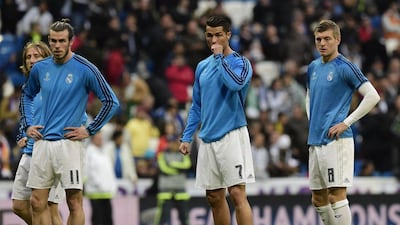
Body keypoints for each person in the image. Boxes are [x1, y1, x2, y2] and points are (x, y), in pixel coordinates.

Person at [19, 19, 120, 225]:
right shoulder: (40, 68)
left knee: (74, 202)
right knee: (38, 202)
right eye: (53, 41)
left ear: (71, 41)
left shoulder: (85, 68)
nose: (57, 46)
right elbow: (27, 95)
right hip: (42, 143)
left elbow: (111, 101)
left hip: (69, 144)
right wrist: (28, 124)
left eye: (62, 41)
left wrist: (90, 130)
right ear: (49, 40)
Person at [179, 15, 255, 225]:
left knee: (238, 194)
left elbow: (235, 84)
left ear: (228, 35)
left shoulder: (241, 62)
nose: (214, 40)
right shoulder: (202, 66)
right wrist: (186, 137)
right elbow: (197, 105)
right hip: (207, 137)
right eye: (209, 35)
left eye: (219, 35)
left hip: (231, 133)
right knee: (213, 197)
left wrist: (220, 58)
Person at [306, 19, 380, 225]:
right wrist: (312, 121)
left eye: (327, 39)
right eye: (318, 39)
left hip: (336, 141)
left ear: (337, 40)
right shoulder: (312, 67)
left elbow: (373, 96)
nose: (322, 43)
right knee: (318, 199)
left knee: (336, 196)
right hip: (315, 140)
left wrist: (346, 123)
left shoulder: (345, 66)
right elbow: (308, 96)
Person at [12, 41, 64, 225]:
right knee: (18, 205)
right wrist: (21, 135)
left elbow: (75, 115)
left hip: (49, 152)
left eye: (37, 56)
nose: (32, 60)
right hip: (29, 152)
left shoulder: (57, 85)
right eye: (28, 57)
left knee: (49, 207)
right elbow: (26, 119)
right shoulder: (27, 88)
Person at [85, 131, 117, 225]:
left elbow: (109, 171)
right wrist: (99, 184)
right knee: (98, 219)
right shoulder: (89, 153)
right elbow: (89, 172)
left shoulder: (103, 152)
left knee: (108, 219)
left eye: (101, 138)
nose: (100, 140)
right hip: (95, 192)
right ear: (93, 139)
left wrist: (111, 186)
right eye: (98, 138)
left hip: (106, 192)